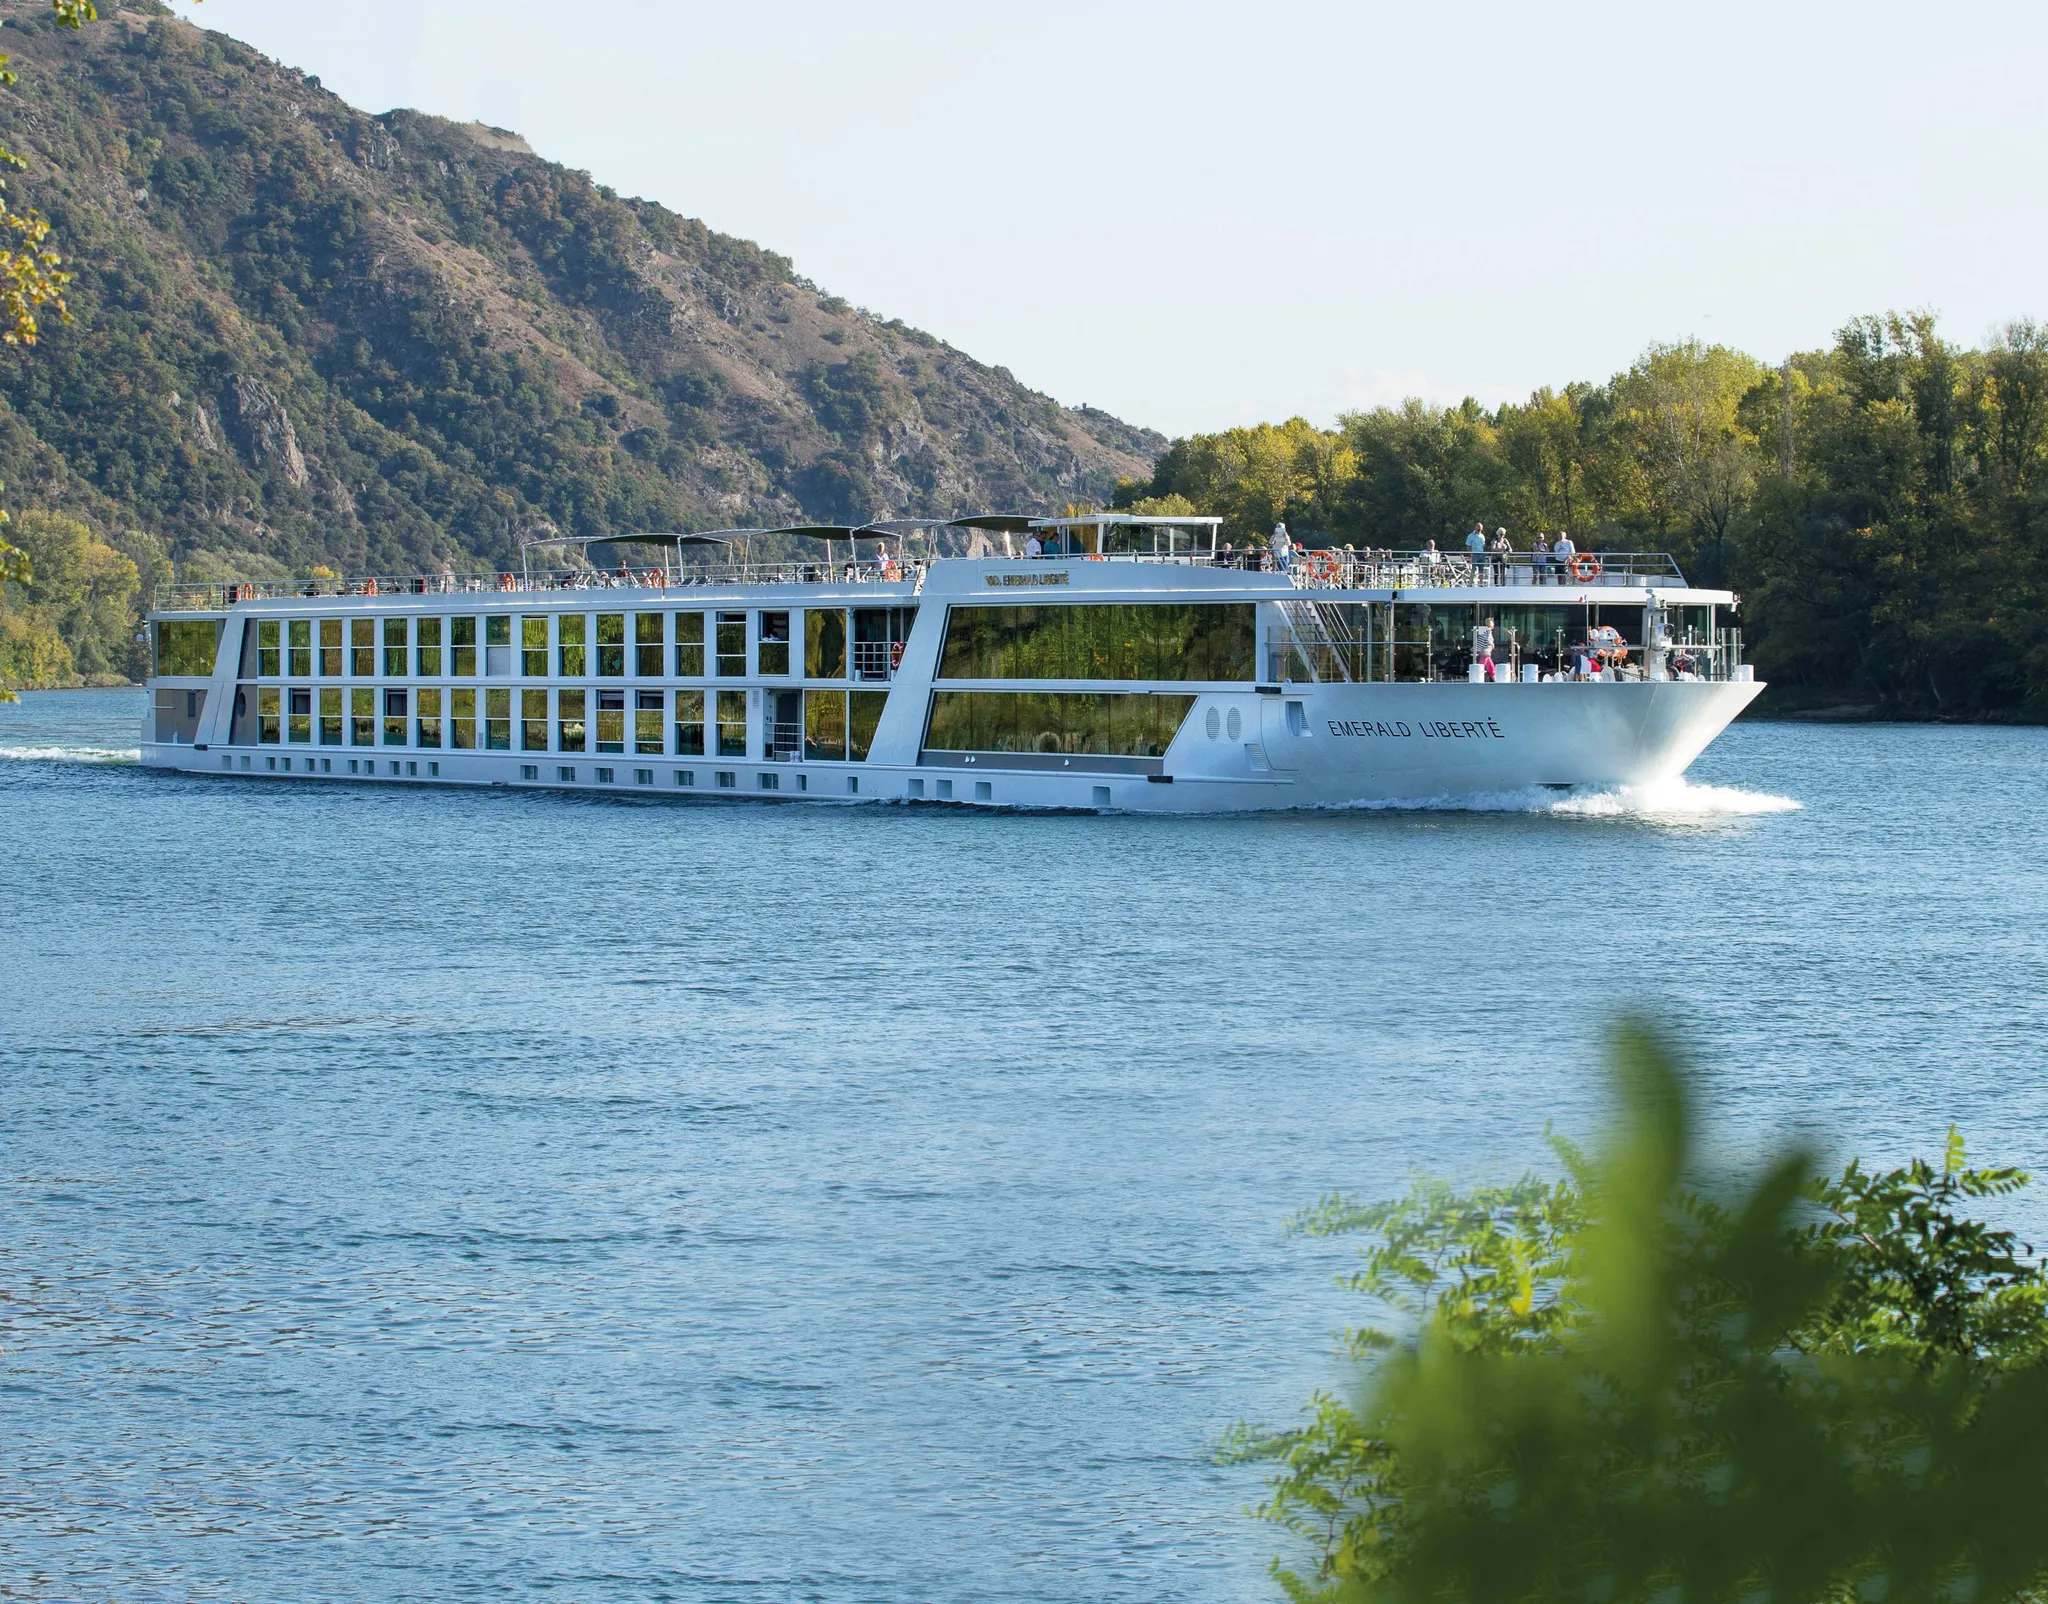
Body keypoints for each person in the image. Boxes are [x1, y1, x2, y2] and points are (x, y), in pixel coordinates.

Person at [1472, 615, 1497, 681]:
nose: (1494, 624)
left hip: (1485, 652)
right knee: (1481, 666)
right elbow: (1487, 639)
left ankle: (1496, 681)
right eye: (1493, 623)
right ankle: (1476, 679)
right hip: (1485, 652)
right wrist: (1492, 644)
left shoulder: (1485, 630)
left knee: (1491, 667)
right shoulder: (1488, 631)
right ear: (1490, 624)